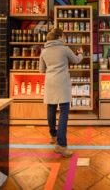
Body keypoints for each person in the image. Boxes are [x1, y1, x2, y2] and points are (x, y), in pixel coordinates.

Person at [39, 28, 83, 157]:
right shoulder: (64, 49)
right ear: (59, 36)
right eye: (63, 36)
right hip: (62, 83)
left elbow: (41, 70)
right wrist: (81, 53)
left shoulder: (44, 51)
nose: (64, 38)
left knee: (51, 109)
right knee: (64, 111)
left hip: (50, 82)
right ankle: (61, 145)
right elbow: (76, 60)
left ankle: (53, 135)